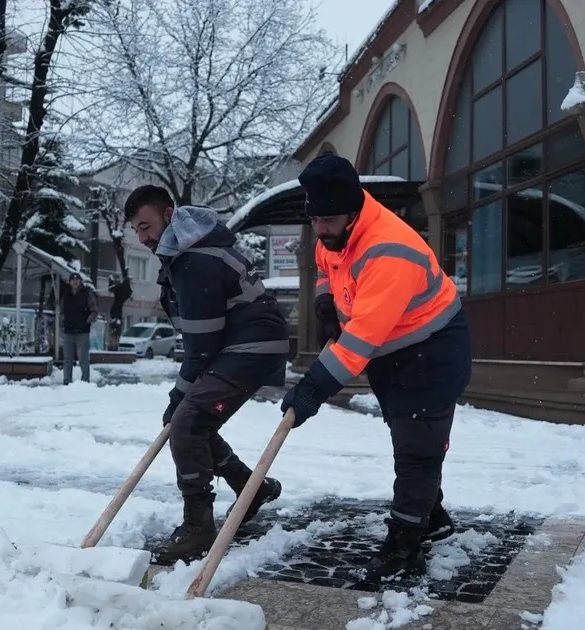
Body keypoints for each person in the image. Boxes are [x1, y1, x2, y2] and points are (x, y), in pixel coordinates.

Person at [281, 153, 471, 583]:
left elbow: (360, 341)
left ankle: (405, 540)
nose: (320, 228)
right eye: (315, 219)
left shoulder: (389, 250)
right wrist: (326, 305)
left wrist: (313, 389)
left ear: (353, 212)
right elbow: (330, 269)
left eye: (328, 220)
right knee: (408, 435)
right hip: (395, 350)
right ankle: (432, 515)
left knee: (416, 445)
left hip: (434, 349)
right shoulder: (334, 231)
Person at [124, 184, 291, 562]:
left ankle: (198, 527)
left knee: (185, 423)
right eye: (136, 230)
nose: (143, 237)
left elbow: (201, 348)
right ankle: (252, 487)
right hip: (241, 345)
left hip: (250, 347)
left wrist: (178, 396)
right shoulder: (191, 249)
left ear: (169, 215)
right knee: (192, 422)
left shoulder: (194, 259)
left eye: (146, 226)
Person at [60, 271, 97, 385]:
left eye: (77, 280)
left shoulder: (87, 293)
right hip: (68, 330)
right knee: (67, 358)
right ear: (69, 282)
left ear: (80, 281)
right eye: (73, 280)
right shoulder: (66, 295)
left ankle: (85, 381)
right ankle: (67, 381)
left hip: (83, 331)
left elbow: (94, 310)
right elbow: (61, 311)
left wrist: (87, 321)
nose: (75, 282)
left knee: (83, 358)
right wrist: (63, 321)